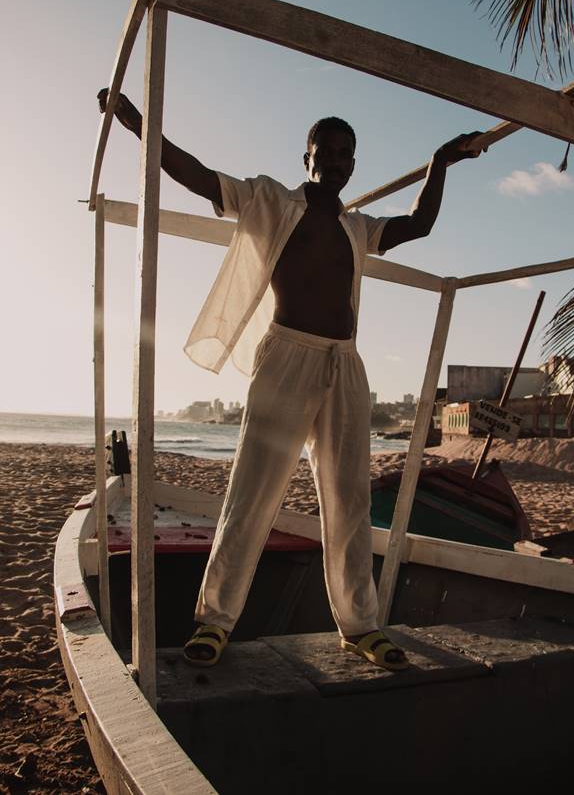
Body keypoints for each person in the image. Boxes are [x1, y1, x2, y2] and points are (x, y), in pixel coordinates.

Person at [98, 88, 484, 671]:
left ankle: (359, 626)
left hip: (346, 365)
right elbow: (199, 176)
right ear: (306, 156)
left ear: (354, 164)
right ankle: (214, 620)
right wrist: (138, 126)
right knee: (252, 492)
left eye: (344, 154)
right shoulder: (271, 201)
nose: (334, 161)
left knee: (349, 501)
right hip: (286, 358)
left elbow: (419, 225)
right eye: (324, 151)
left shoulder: (358, 228)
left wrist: (440, 161)